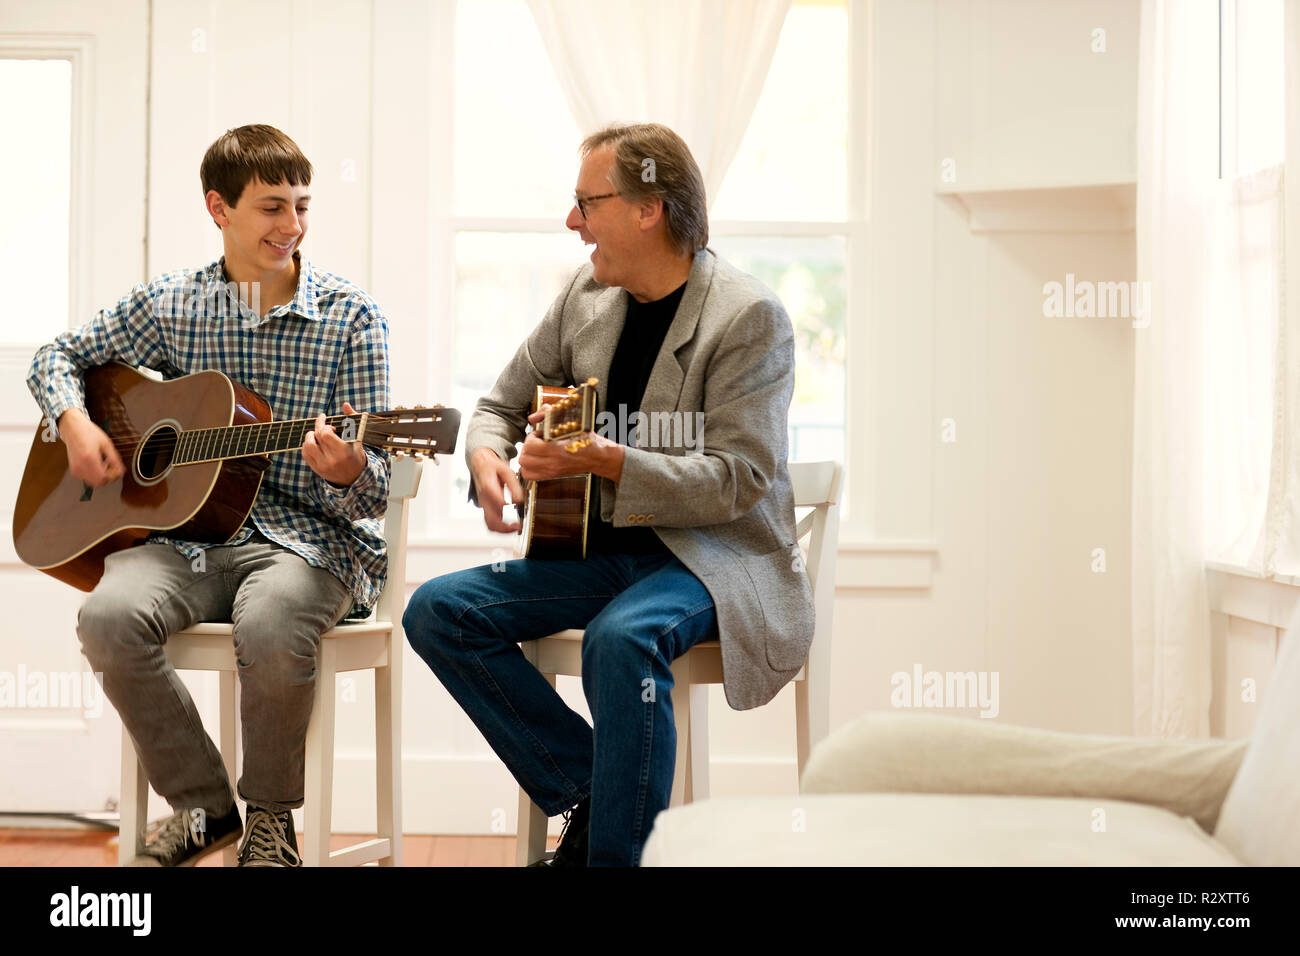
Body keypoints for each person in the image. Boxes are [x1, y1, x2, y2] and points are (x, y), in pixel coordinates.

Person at [403, 122, 813, 867]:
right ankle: (599, 791)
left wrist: (607, 459)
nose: (572, 222)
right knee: (440, 610)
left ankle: (612, 856)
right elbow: (498, 404)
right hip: (598, 554)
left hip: (711, 559)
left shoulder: (749, 317)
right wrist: (488, 455)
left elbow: (740, 478)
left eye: (586, 202)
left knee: (622, 639)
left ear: (648, 208)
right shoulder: (586, 299)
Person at [26, 124, 391, 867]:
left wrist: (351, 470)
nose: (292, 227)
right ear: (218, 209)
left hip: (308, 542)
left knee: (273, 618)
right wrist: (74, 421)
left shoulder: (353, 321)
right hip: (184, 541)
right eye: (270, 208)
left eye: (302, 206)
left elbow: (375, 491)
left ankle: (268, 823)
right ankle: (203, 808)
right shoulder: (172, 305)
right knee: (107, 616)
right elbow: (56, 355)